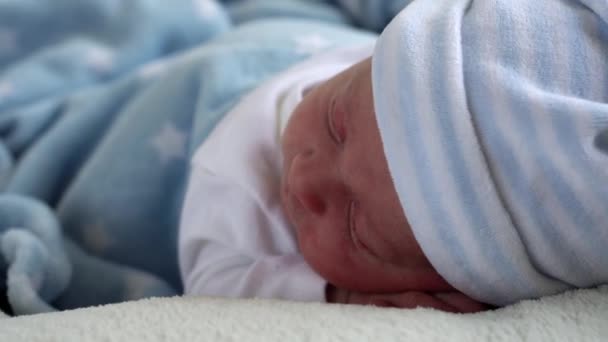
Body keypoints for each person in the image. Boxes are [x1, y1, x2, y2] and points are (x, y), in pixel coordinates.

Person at [180, 0, 608, 311]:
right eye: (336, 124)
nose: (305, 180)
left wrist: (333, 298)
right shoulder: (240, 172)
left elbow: (216, 283)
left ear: (445, 285)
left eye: (356, 228)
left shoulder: (238, 205)